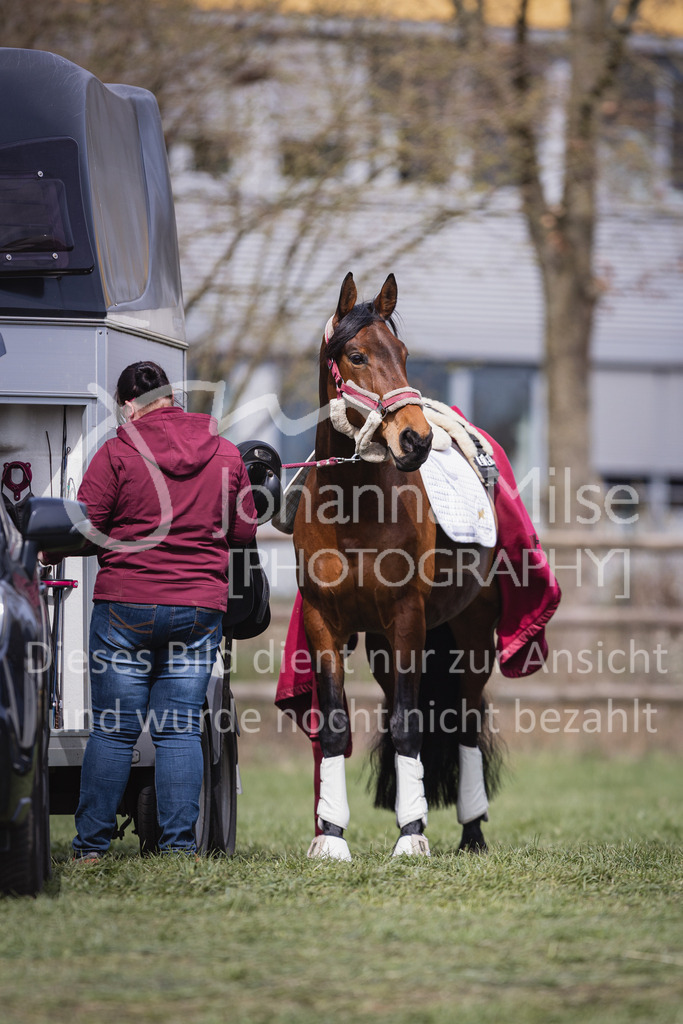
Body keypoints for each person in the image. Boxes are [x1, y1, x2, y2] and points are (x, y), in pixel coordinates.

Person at [71, 361, 257, 859]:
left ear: (129, 405)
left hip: (125, 607)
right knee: (179, 729)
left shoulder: (117, 451)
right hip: (197, 610)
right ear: (171, 398)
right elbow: (243, 531)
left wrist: (48, 549)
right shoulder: (225, 452)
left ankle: (91, 848)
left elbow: (85, 528)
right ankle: (177, 851)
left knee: (114, 728)